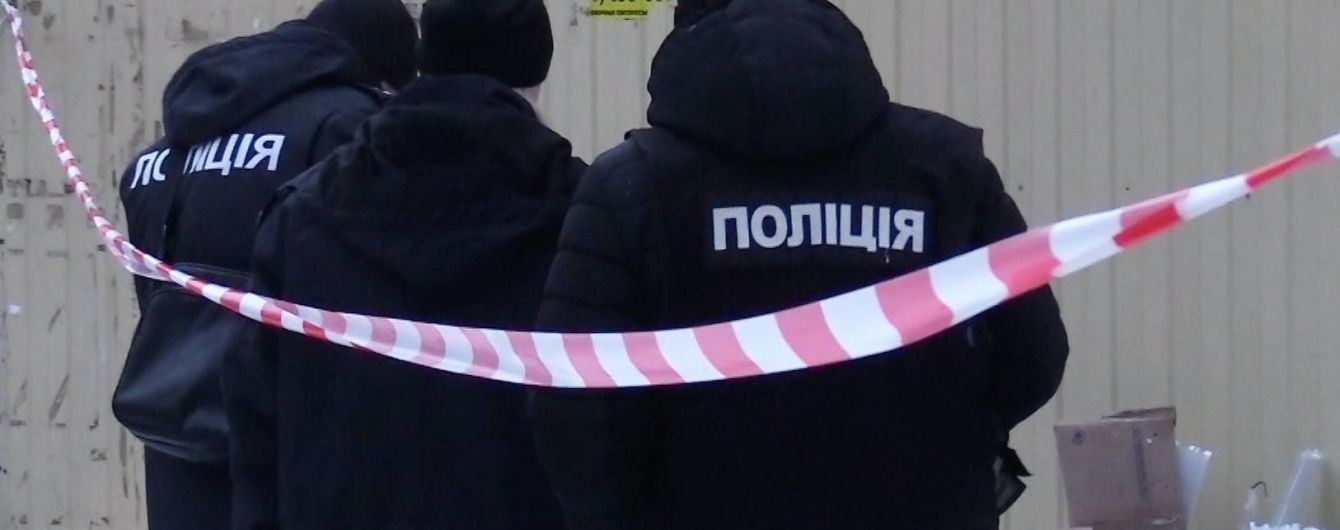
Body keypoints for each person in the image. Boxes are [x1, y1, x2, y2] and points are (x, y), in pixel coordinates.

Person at [529, 0, 1070, 529]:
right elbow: (1034, 352)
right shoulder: (944, 168)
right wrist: (943, 448)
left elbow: (573, 402)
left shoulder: (633, 187)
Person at [221, 0, 584, 529]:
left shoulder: (303, 216)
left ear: (424, 58)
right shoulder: (582, 216)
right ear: (536, 72)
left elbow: (254, 422)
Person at [115, 1, 417, 529]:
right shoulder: (351, 131)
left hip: (176, 441)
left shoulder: (160, 155)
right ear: (384, 73)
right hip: (299, 453)